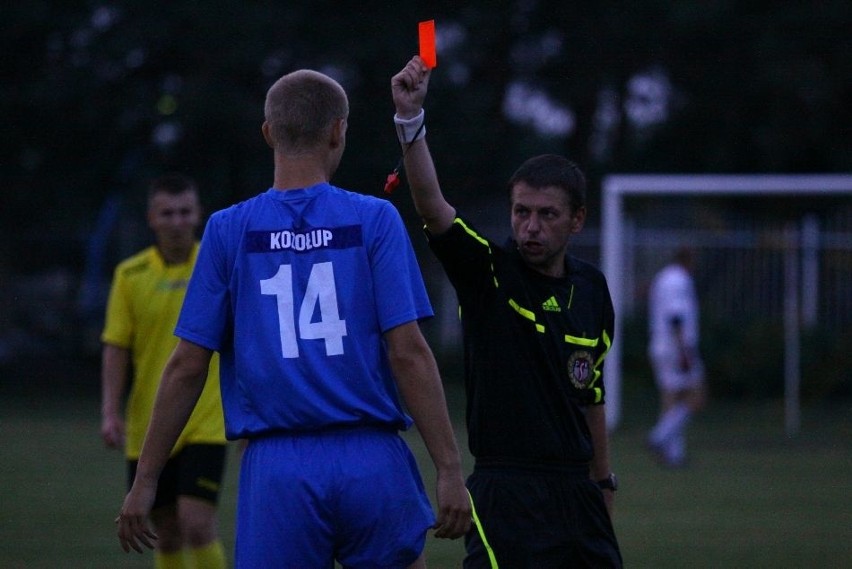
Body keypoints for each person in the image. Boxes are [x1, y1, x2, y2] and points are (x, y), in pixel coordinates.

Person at [115, 68, 471, 568]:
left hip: (277, 468)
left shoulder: (226, 230)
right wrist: (450, 468)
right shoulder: (375, 219)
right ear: (337, 131)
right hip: (371, 457)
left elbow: (186, 366)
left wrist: (147, 478)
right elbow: (409, 352)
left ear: (268, 133)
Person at [391, 56, 623, 568]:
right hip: (505, 490)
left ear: (577, 220)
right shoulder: (489, 273)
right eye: (522, 212)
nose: (531, 227)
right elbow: (433, 207)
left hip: (577, 492)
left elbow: (592, 395)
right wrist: (410, 121)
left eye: (547, 215)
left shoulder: (592, 288)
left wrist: (602, 483)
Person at [101, 174, 228, 569]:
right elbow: (116, 347)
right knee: (166, 532)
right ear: (151, 219)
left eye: (185, 212)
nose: (177, 221)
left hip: (207, 420)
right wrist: (110, 411)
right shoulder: (131, 275)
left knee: (196, 523)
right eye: (168, 213)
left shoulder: (218, 267)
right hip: (150, 424)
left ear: (199, 216)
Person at [646, 246, 707, 468]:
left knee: (672, 400)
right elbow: (676, 317)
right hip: (675, 346)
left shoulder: (664, 277)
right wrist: (684, 351)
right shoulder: (678, 280)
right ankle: (659, 437)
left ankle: (673, 455)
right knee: (696, 395)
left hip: (661, 344)